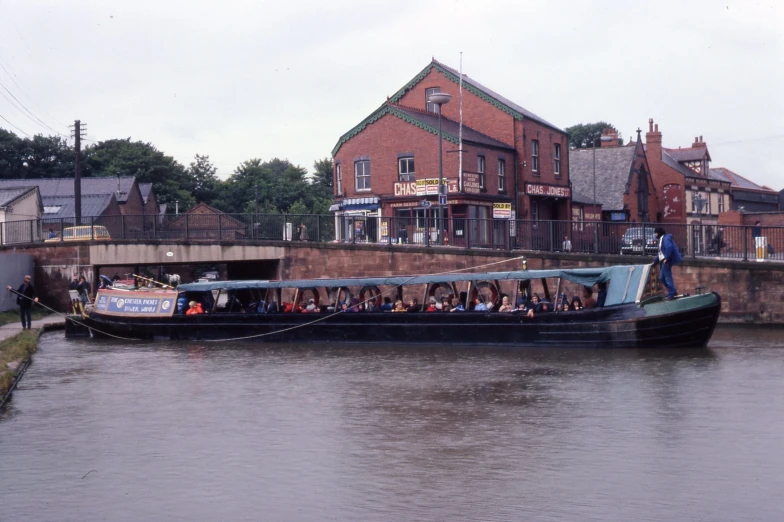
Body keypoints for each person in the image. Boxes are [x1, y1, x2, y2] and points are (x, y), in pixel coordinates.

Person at [653, 226, 683, 300]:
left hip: (666, 261)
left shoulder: (665, 239)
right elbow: (660, 253)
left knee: (667, 278)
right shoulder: (661, 240)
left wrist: (666, 258)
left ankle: (671, 294)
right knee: (662, 278)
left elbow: (669, 247)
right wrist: (654, 262)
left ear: (659, 233)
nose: (655, 235)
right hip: (664, 260)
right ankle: (673, 291)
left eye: (656, 233)